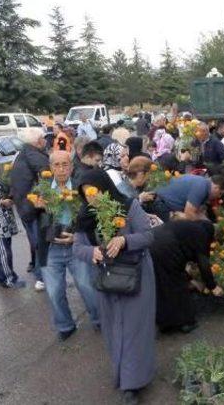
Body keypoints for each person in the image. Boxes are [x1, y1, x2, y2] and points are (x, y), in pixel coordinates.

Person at [73, 169, 156, 405]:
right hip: (108, 278)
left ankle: (132, 384)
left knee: (134, 329)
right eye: (86, 194)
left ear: (105, 187)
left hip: (136, 274)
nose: (91, 198)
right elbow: (77, 248)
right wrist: (92, 251)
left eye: (94, 192)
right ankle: (122, 374)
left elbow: (148, 236)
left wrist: (124, 240)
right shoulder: (85, 215)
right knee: (114, 329)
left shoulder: (128, 206)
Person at [38, 151, 99, 340]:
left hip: (77, 245)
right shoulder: (42, 189)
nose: (61, 169)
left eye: (65, 164)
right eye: (57, 165)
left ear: (72, 167)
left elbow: (94, 216)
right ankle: (65, 326)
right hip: (51, 247)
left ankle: (100, 320)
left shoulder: (83, 188)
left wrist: (77, 235)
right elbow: (24, 213)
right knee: (54, 291)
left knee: (87, 286)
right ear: (50, 167)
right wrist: (36, 207)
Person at [150, 219, 223, 333]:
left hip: (152, 242)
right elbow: (203, 263)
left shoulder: (191, 226)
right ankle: (186, 322)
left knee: (161, 284)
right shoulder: (202, 235)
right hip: (166, 247)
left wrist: (191, 278)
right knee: (178, 284)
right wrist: (212, 286)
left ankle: (165, 323)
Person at [10, 128, 49, 291]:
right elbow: (47, 176)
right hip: (34, 207)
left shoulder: (22, 154)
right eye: (43, 138)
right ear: (37, 141)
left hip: (23, 206)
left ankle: (38, 272)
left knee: (36, 242)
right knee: (41, 243)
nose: (46, 141)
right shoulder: (35, 156)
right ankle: (42, 278)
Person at [0, 158, 24, 288]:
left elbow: (5, 192)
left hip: (3, 223)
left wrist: (10, 198)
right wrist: (1, 203)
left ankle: (0, 277)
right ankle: (10, 280)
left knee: (1, 252)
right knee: (4, 253)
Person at [156, 174, 224, 220]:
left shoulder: (202, 182)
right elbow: (189, 214)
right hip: (161, 205)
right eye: (220, 194)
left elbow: (197, 212)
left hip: (162, 202)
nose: (218, 197)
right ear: (216, 188)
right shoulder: (202, 186)